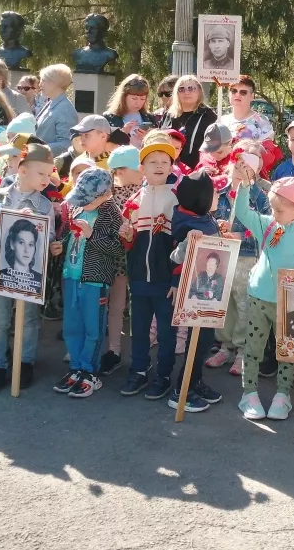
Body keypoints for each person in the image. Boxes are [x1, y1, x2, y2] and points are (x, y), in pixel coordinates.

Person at [230, 174, 294, 421]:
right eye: (272, 208)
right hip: (258, 297)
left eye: (279, 210)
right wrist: (244, 185)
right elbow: (242, 211)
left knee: (288, 352)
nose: (274, 213)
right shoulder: (268, 224)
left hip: (290, 303)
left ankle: (282, 395)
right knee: (253, 349)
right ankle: (248, 393)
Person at [0, 142, 61, 392]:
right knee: (0, 319)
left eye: (49, 173)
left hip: (31, 272)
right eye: (41, 173)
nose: (47, 179)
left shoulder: (44, 204)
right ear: (22, 171)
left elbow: (49, 236)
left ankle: (25, 365)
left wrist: (53, 245)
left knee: (30, 319)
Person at [118, 134, 180, 400]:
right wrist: (127, 236)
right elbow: (129, 242)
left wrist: (177, 280)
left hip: (166, 281)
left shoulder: (177, 200)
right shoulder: (133, 200)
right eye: (152, 161)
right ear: (141, 168)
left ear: (171, 166)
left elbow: (184, 243)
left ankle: (164, 375)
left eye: (164, 161)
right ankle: (140, 370)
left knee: (167, 332)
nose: (158, 165)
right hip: (139, 277)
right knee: (139, 329)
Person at [52, 167, 121, 398]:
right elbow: (68, 233)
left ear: (104, 194)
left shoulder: (112, 213)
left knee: (93, 328)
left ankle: (90, 372)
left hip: (95, 280)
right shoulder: (76, 206)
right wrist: (59, 244)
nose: (81, 204)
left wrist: (92, 235)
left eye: (87, 200)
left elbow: (118, 249)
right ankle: (76, 368)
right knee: (72, 326)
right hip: (71, 275)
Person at [167, 169, 227, 412]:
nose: (218, 198)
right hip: (196, 292)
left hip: (210, 292)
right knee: (198, 340)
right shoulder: (188, 224)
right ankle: (182, 390)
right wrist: (188, 241)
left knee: (205, 340)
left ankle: (196, 380)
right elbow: (176, 257)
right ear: (201, 198)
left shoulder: (199, 217)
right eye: (214, 194)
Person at [207, 149, 270, 372]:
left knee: (244, 302)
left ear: (254, 173)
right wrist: (219, 226)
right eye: (237, 167)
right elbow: (209, 218)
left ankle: (243, 350)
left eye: (246, 169)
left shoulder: (260, 197)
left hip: (246, 256)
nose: (240, 173)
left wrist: (242, 235)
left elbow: (267, 228)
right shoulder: (220, 192)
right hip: (222, 253)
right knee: (224, 300)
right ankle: (225, 345)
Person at [100, 146, 143, 374]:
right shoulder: (108, 194)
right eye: (137, 168)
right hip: (116, 257)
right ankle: (114, 351)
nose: (142, 172)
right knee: (115, 306)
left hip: (140, 257)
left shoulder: (147, 190)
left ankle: (140, 355)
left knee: (139, 308)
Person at [159, 75, 217, 171]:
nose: (186, 92)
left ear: (199, 91)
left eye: (191, 88)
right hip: (168, 171)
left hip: (196, 171)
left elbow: (214, 147)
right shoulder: (169, 114)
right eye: (181, 89)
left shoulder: (209, 116)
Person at [33, 64, 79, 157]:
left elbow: (66, 144)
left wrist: (37, 149)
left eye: (43, 80)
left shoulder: (65, 109)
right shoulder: (52, 103)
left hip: (52, 166)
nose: (40, 84)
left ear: (55, 82)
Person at [104, 74, 157, 149]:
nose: (138, 103)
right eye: (134, 98)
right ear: (123, 97)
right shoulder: (109, 118)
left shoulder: (150, 118)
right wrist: (122, 133)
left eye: (142, 99)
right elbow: (102, 144)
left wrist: (149, 136)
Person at [219, 75, 274, 142]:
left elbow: (269, 150)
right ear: (229, 94)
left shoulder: (261, 121)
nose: (237, 95)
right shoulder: (221, 121)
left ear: (252, 96)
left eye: (243, 92)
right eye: (234, 91)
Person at [0, 218, 43, 288]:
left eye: (31, 244)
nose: (26, 250)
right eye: (21, 242)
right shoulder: (0, 276)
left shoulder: (39, 279)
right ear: (12, 244)